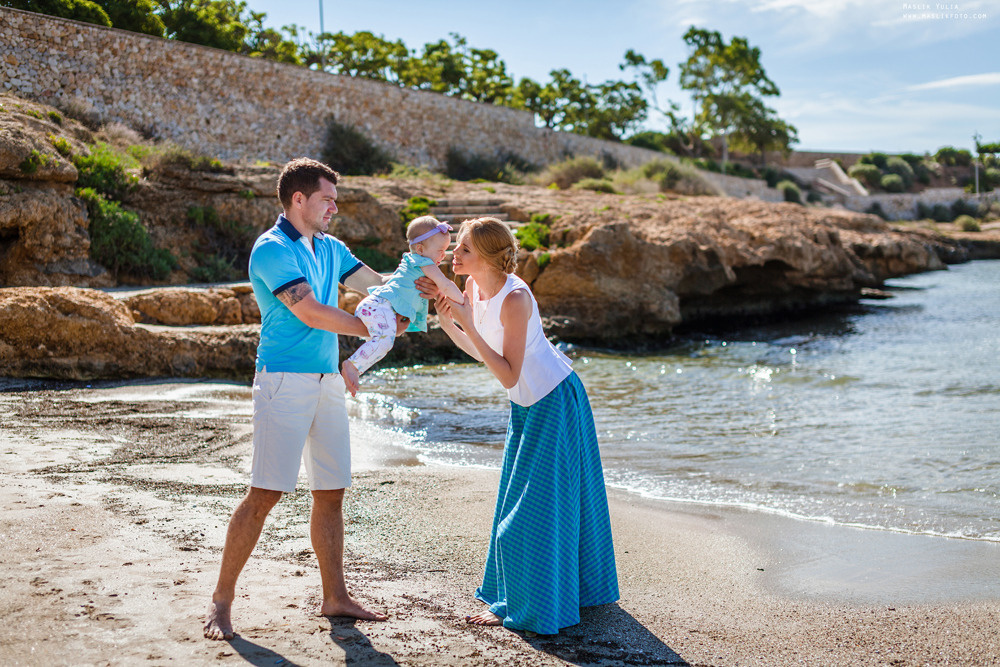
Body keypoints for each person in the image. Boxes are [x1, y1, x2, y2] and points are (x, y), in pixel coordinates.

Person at [204, 157, 429, 641]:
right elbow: (309, 311)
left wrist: (420, 287)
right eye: (327, 199)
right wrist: (377, 326)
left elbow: (377, 285)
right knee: (265, 492)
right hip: (282, 380)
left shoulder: (331, 247)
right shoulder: (271, 249)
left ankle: (335, 597)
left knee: (331, 493)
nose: (334, 207)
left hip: (328, 381)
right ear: (298, 199)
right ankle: (222, 601)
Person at [434, 217, 619, 635]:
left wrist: (467, 320)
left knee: (529, 514)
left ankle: (534, 607)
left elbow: (508, 374)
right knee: (519, 503)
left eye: (463, 249)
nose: (453, 255)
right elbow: (487, 354)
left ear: (485, 255)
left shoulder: (516, 297)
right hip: (527, 405)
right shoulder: (472, 288)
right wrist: (451, 323)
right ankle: (528, 595)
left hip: (554, 400)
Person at [341, 216, 465, 396]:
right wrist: (464, 304)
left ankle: (356, 367)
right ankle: (352, 365)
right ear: (421, 249)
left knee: (382, 343)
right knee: (385, 341)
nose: (443, 255)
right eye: (440, 250)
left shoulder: (413, 263)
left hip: (376, 305)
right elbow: (446, 285)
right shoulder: (423, 262)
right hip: (379, 305)